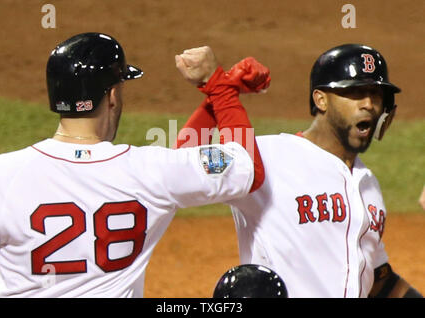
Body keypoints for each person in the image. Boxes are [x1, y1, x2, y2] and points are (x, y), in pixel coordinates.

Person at [0, 32, 270, 297]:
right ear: (113, 96)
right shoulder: (149, 173)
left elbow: (182, 164)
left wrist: (216, 95)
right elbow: (246, 168)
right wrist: (219, 89)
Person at [176, 43, 423, 298]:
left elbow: (377, 279)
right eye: (355, 92)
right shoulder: (267, 157)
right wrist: (219, 91)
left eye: (376, 94)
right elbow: (181, 167)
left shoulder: (367, 183)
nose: (369, 104)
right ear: (321, 99)